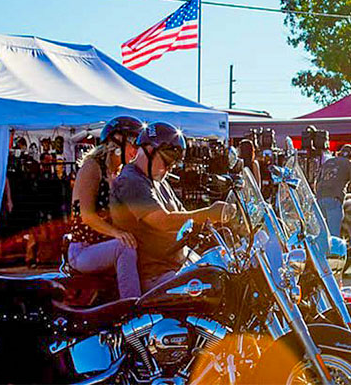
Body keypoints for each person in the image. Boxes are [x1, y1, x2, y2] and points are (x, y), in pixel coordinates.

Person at [110, 122, 231, 292]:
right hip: (157, 276)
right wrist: (207, 213)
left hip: (178, 267)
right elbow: (162, 221)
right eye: (167, 162)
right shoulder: (131, 181)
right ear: (149, 150)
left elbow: (181, 215)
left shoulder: (158, 180)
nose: (168, 169)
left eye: (172, 165)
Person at [66, 116, 144, 299]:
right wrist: (117, 233)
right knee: (125, 247)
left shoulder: (120, 173)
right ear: (116, 141)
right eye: (134, 143)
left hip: (103, 247)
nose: (136, 151)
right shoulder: (92, 167)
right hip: (83, 250)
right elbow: (86, 216)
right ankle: (132, 309)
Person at [314, 144, 351, 237]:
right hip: (334, 200)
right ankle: (333, 251)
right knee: (333, 237)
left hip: (319, 200)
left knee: (321, 235)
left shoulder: (328, 162)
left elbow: (316, 183)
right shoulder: (350, 164)